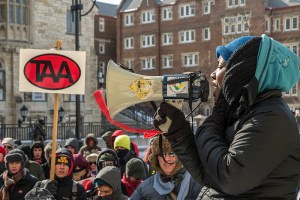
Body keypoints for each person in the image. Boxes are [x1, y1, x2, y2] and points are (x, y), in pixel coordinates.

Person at [153, 34, 300, 199]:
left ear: (240, 70)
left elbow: (229, 178)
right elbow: (208, 175)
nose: (213, 75)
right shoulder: (246, 115)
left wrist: (216, 117)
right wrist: (178, 133)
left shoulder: (273, 118)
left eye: (220, 66)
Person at [131, 135, 201, 199]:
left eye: (172, 153)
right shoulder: (145, 188)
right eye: (162, 154)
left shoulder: (196, 184)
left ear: (180, 156)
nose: (167, 159)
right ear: (157, 158)